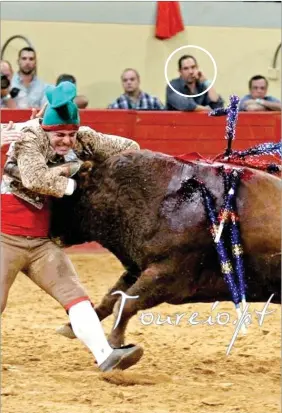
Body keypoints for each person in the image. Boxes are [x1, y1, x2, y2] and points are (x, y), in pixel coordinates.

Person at [1, 80, 143, 372]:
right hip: (4, 237)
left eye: (71, 134)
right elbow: (36, 180)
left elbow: (130, 148)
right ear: (46, 129)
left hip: (41, 242)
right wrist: (76, 176)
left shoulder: (82, 138)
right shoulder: (29, 136)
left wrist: (101, 169)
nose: (67, 140)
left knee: (76, 296)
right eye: (60, 134)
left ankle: (105, 355)